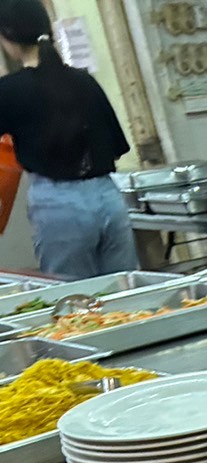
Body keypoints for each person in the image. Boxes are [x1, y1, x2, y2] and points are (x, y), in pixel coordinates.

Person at [0, 0, 139, 277]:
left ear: (8, 37)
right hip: (109, 199)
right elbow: (116, 146)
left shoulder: (9, 90)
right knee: (124, 290)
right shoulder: (84, 81)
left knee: (72, 295)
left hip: (58, 205)